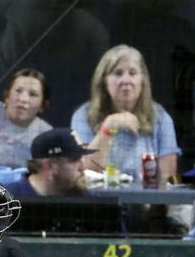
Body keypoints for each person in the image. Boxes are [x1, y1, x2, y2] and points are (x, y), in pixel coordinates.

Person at [71, 45, 180, 187]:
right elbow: (86, 170)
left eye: (133, 73)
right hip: (99, 203)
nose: (126, 80)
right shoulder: (83, 115)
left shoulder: (161, 117)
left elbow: (167, 178)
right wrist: (108, 127)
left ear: (143, 80)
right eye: (118, 73)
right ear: (104, 80)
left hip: (147, 202)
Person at [8, 128, 95, 197]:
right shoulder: (6, 200)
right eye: (74, 159)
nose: (82, 167)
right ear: (48, 165)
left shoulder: (83, 198)